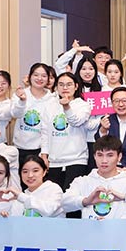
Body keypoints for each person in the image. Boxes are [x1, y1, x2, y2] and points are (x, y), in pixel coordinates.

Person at [39, 72, 93, 203]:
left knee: (73, 203)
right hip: (54, 161)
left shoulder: (83, 105)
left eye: (69, 84)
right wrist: (44, 155)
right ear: (56, 87)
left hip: (76, 160)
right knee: (53, 202)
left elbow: (76, 121)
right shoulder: (50, 105)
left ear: (76, 86)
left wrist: (66, 106)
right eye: (61, 84)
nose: (65, 88)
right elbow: (45, 132)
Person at [11, 63, 55, 162]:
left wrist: (44, 152)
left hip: (42, 150)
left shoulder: (52, 99)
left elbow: (48, 128)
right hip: (20, 147)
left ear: (48, 79)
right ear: (30, 76)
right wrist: (22, 101)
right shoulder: (20, 93)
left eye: (44, 76)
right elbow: (15, 114)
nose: (39, 78)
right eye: (36, 75)